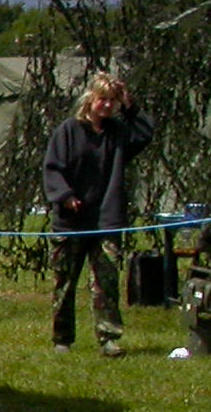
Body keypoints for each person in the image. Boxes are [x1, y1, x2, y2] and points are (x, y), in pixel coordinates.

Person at [43, 71, 155, 356]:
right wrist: (65, 196)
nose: (106, 106)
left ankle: (108, 338)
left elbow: (145, 133)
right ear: (90, 99)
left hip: (105, 220)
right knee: (64, 284)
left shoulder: (118, 133)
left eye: (112, 101)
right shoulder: (68, 130)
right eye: (102, 99)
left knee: (105, 284)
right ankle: (62, 339)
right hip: (71, 222)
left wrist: (130, 105)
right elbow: (52, 168)